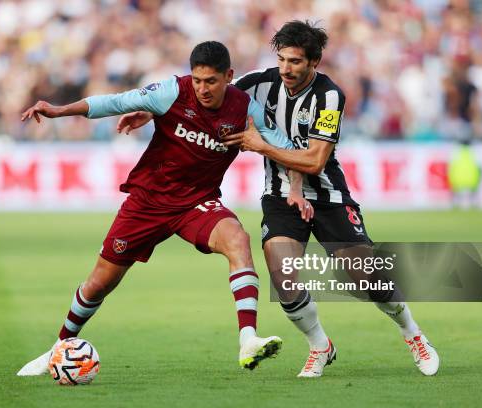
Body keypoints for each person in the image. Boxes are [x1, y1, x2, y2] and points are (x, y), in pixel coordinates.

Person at [118, 21, 440, 378]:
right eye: (283, 59)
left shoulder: (330, 97)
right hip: (278, 195)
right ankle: (319, 346)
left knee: (364, 276)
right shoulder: (257, 82)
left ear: (314, 63)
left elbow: (316, 160)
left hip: (328, 195)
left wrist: (262, 146)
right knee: (283, 275)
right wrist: (152, 111)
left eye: (296, 62)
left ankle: (412, 333)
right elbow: (202, 97)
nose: (286, 68)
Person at [16, 41, 315, 376]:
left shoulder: (245, 109)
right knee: (100, 282)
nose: (202, 89)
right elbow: (115, 102)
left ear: (228, 76)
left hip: (197, 202)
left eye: (211, 82)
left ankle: (248, 338)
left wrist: (296, 189)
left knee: (238, 240)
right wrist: (58, 110)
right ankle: (58, 347)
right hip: (148, 201)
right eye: (198, 80)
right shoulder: (171, 91)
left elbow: (286, 148)